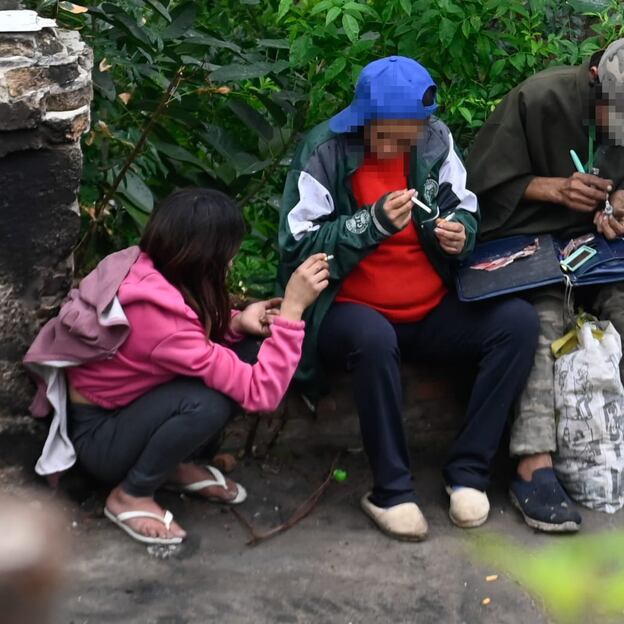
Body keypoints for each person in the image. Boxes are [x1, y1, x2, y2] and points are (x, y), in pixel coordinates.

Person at [278, 56, 539, 542]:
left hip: (429, 307)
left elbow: (465, 206)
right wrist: (370, 223)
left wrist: (460, 233)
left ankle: (469, 472)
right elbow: (297, 245)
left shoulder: (435, 140)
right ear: (364, 121)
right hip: (349, 311)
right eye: (390, 135)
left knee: (517, 323)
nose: (401, 145)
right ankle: (392, 491)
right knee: (374, 339)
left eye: (410, 134)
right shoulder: (324, 152)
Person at [467, 37, 624, 532]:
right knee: (542, 317)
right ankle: (533, 462)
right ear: (596, 81)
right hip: (535, 240)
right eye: (618, 120)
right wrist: (551, 188)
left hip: (610, 251)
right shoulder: (540, 98)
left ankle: (621, 428)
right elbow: (479, 187)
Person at [25, 188, 329, 546]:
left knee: (248, 348)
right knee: (210, 402)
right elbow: (260, 394)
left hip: (128, 411)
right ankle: (131, 494)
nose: (230, 263)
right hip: (101, 440)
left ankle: (169, 466)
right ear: (205, 257)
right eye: (228, 255)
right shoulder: (160, 320)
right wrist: (292, 312)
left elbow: (185, 340)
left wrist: (234, 323)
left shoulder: (146, 270)